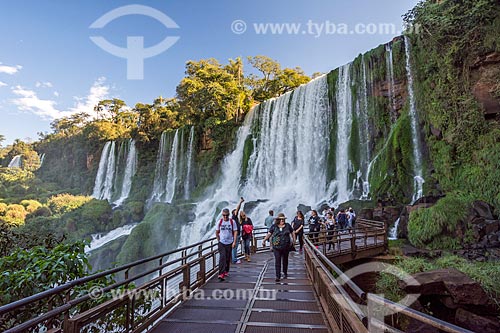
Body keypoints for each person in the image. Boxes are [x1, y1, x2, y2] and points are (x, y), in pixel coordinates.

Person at [262, 213, 296, 282]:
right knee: (277, 260)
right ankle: (278, 276)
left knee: (285, 260)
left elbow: (292, 232)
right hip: (276, 247)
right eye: (281, 219)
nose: (282, 220)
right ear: (278, 220)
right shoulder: (274, 226)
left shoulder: (288, 226)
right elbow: (269, 234)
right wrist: (264, 240)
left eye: (283, 219)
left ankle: (285, 272)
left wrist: (294, 240)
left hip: (286, 246)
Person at [216, 208, 238, 281]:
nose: (225, 217)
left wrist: (234, 242)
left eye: (227, 215)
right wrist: (219, 240)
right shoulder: (220, 222)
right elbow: (217, 232)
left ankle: (226, 270)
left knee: (228, 257)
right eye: (224, 215)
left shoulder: (232, 222)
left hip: (230, 242)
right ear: (222, 215)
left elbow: (235, 232)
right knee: (222, 257)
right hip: (222, 243)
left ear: (229, 215)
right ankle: (220, 274)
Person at [231, 197, 244, 264]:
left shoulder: (235, 219)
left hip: (237, 235)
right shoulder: (234, 217)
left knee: (235, 248)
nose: (237, 212)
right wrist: (240, 202)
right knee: (234, 248)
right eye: (235, 212)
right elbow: (237, 209)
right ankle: (234, 260)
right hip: (235, 235)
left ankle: (234, 258)